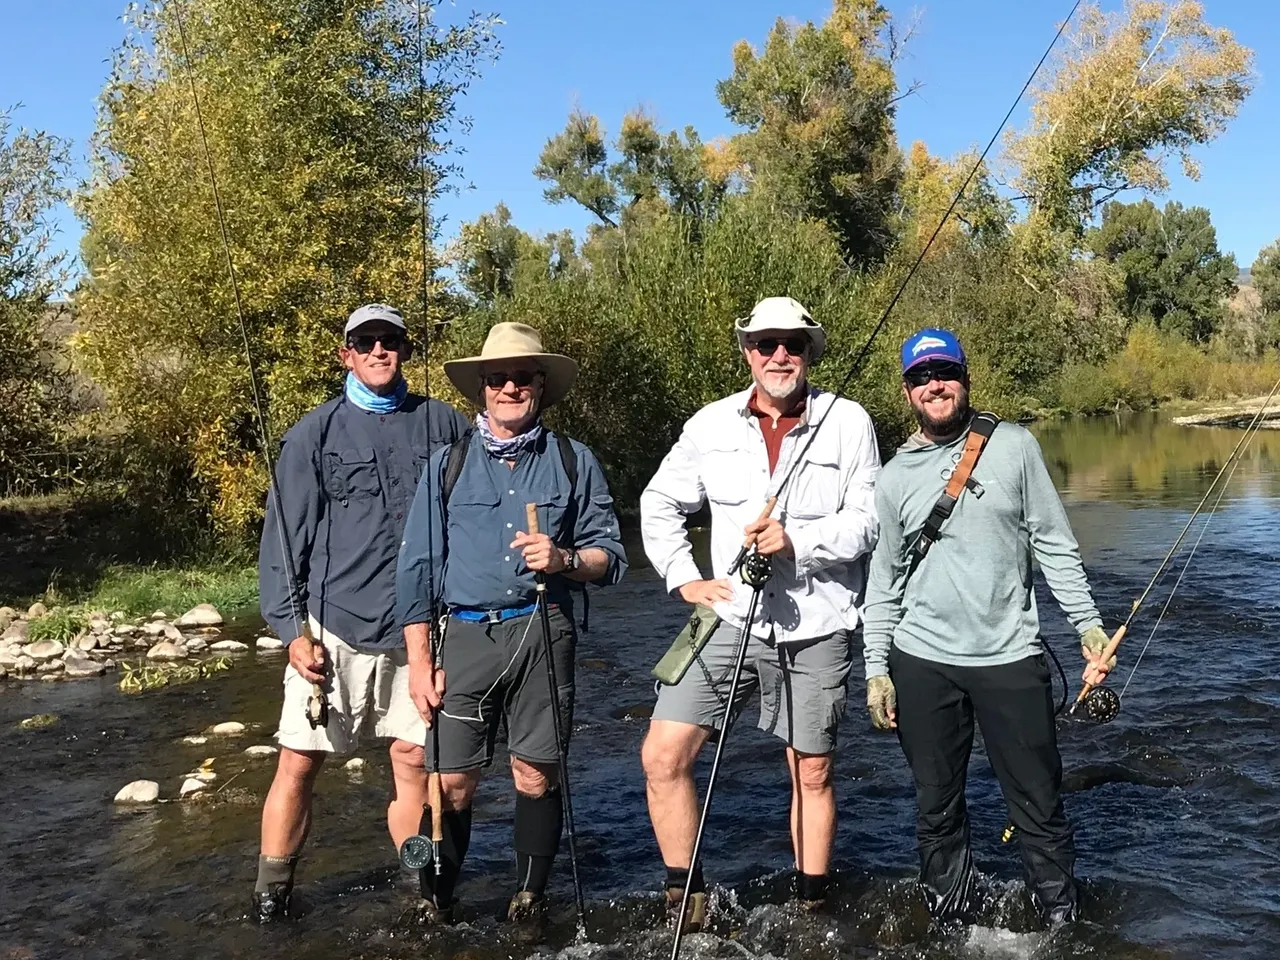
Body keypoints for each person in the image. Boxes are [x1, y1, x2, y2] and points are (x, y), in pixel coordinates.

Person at [639, 296, 881, 928]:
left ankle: (811, 903)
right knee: (662, 756)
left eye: (793, 344)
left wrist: (800, 543)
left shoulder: (848, 421)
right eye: (766, 343)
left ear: (809, 353)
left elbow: (867, 522)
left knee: (813, 770)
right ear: (747, 351)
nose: (780, 355)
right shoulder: (709, 425)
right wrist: (684, 579)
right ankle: (685, 899)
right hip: (727, 617)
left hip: (819, 620)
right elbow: (659, 503)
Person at [861, 327, 1117, 926]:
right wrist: (876, 669)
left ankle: (1059, 922)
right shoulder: (893, 477)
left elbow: (1053, 544)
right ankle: (953, 924)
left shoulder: (1016, 447)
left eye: (944, 372)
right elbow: (884, 582)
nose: (935, 385)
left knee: (1038, 804)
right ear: (907, 393)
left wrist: (1088, 625)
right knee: (937, 808)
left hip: (1010, 655)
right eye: (921, 378)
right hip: (921, 661)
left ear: (965, 378)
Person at [395, 321, 627, 924]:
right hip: (465, 638)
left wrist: (566, 559)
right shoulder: (446, 466)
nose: (509, 387)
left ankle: (529, 899)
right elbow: (416, 570)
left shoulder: (575, 462)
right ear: (482, 388)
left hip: (545, 631)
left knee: (534, 771)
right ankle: (433, 900)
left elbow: (612, 560)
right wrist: (419, 662)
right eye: (496, 378)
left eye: (521, 377)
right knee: (448, 783)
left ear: (540, 385)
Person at [253, 303, 469, 922]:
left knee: (411, 761)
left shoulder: (444, 424)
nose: (379, 351)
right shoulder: (312, 435)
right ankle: (273, 896)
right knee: (298, 761)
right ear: (346, 354)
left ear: (405, 350)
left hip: (421, 631)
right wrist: (290, 630)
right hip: (330, 628)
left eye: (391, 341)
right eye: (365, 342)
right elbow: (283, 541)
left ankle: (418, 888)